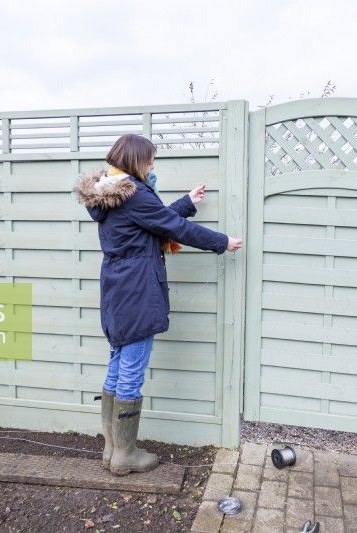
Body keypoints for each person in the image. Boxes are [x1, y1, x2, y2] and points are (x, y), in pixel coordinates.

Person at [73, 133, 242, 476]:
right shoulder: (134, 195)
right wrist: (222, 242)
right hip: (138, 288)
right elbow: (173, 227)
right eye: (149, 160)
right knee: (131, 366)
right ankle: (125, 454)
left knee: (119, 360)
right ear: (136, 161)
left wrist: (186, 200)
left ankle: (112, 448)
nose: (153, 165)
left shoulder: (109, 193)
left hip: (118, 287)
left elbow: (151, 222)